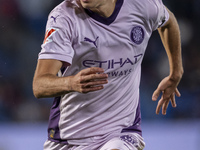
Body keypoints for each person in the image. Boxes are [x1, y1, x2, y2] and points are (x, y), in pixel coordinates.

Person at [32, 0, 183, 149]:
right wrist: (71, 83)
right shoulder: (63, 18)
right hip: (69, 138)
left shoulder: (143, 5)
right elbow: (39, 85)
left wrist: (176, 72)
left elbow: (168, 22)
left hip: (121, 130)